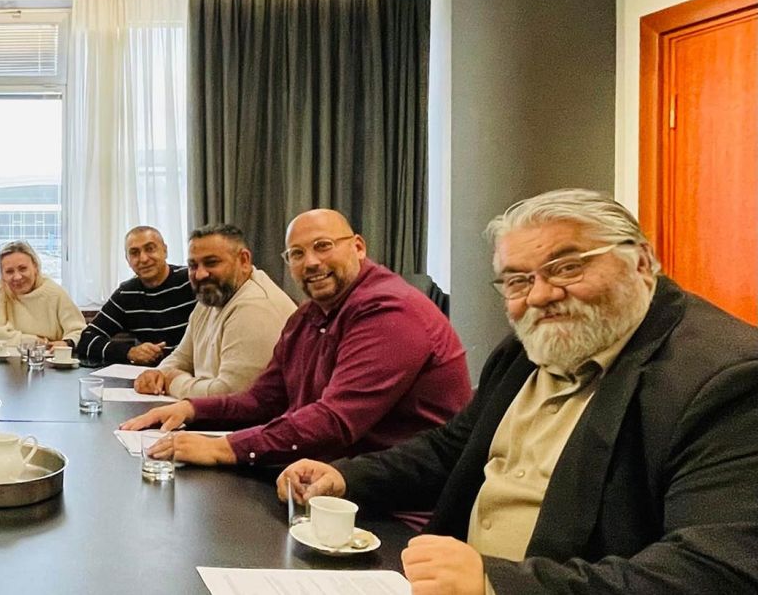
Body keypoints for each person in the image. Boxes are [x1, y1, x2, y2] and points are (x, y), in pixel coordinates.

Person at [279, 189, 758, 594]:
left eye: (567, 268)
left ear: (642, 262)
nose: (540, 295)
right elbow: (452, 450)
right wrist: (345, 477)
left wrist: (498, 583)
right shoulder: (526, 349)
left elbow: (714, 570)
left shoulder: (726, 380)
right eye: (518, 280)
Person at [121, 210, 471, 466]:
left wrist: (224, 448)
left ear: (358, 247)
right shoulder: (308, 316)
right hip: (322, 473)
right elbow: (263, 400)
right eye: (297, 254)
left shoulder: (390, 311)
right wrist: (192, 409)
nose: (311, 262)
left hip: (392, 503)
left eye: (323, 246)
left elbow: (334, 422)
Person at [129, 224, 297, 399]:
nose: (200, 274)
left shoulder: (256, 306)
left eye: (211, 263)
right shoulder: (213, 296)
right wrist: (158, 374)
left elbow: (232, 395)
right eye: (193, 265)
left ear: (244, 261)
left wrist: (173, 383)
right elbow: (182, 357)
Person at [75, 226, 196, 366]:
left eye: (150, 249)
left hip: (193, 370)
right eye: (134, 253)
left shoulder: (192, 281)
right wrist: (129, 352)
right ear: (127, 260)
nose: (143, 259)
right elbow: (86, 340)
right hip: (149, 374)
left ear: (165, 250)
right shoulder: (126, 294)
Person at [0, 240, 85, 348]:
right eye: (9, 271)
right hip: (10, 357)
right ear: (2, 275)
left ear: (35, 267)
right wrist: (35, 341)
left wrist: (66, 343)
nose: (17, 277)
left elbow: (79, 331)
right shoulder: (0, 290)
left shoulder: (54, 292)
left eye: (23, 269)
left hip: (50, 356)